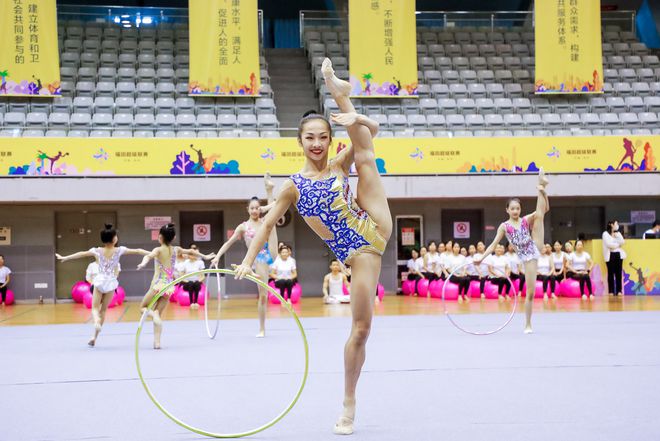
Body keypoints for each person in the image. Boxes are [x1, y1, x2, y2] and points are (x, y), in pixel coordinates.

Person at [234, 58, 393, 435]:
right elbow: (267, 223)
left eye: (324, 136)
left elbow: (375, 130)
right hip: (357, 254)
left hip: (373, 225)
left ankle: (341, 97)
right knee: (360, 329)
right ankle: (349, 405)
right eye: (311, 137)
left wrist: (356, 123)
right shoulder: (292, 185)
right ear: (300, 141)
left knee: (366, 156)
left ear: (330, 140)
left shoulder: (339, 163)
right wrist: (247, 260)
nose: (318, 143)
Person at [476, 169, 549, 333]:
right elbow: (494, 244)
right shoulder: (505, 226)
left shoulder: (525, 220)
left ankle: (541, 186)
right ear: (507, 210)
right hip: (527, 256)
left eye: (518, 208)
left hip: (535, 244)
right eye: (513, 208)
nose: (516, 211)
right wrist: (481, 258)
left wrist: (544, 194)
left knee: (539, 216)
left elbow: (545, 209)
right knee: (530, 292)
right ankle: (528, 324)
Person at [56, 224, 149, 346]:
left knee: (95, 308)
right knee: (103, 310)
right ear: (114, 239)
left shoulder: (97, 251)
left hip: (99, 281)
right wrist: (154, 253)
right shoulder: (119, 250)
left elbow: (81, 253)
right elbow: (138, 251)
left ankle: (96, 324)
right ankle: (94, 337)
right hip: (111, 282)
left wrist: (65, 257)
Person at [210, 174, 278, 337]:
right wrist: (218, 256)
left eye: (257, 207)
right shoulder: (243, 227)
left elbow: (277, 206)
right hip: (256, 260)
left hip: (269, 253)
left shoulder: (264, 221)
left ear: (259, 208)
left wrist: (269, 200)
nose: (255, 210)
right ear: (247, 209)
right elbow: (228, 243)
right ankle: (262, 328)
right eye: (252, 208)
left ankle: (269, 190)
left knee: (272, 218)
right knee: (263, 296)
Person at [137, 223, 214, 349]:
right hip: (168, 286)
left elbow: (148, 256)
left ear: (160, 237)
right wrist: (205, 256)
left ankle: (154, 316)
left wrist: (143, 263)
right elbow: (191, 251)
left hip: (157, 285)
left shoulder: (158, 250)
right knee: (158, 313)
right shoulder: (176, 249)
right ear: (173, 238)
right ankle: (157, 342)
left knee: (143, 308)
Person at [602, 220, 626, 296]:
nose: (617, 225)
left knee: (618, 273)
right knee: (610, 273)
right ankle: (611, 291)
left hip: (618, 254)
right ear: (611, 225)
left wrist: (616, 242)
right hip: (610, 255)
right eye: (616, 224)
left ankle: (619, 291)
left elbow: (622, 242)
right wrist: (617, 244)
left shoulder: (618, 233)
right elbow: (609, 244)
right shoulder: (605, 234)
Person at [182, 244, 206, 308]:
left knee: (196, 283)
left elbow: (203, 276)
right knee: (190, 283)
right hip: (187, 283)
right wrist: (187, 281)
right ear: (189, 255)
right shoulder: (185, 262)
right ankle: (191, 303)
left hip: (196, 283)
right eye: (191, 254)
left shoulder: (200, 262)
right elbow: (181, 276)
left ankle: (196, 302)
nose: (193, 256)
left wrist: (198, 281)